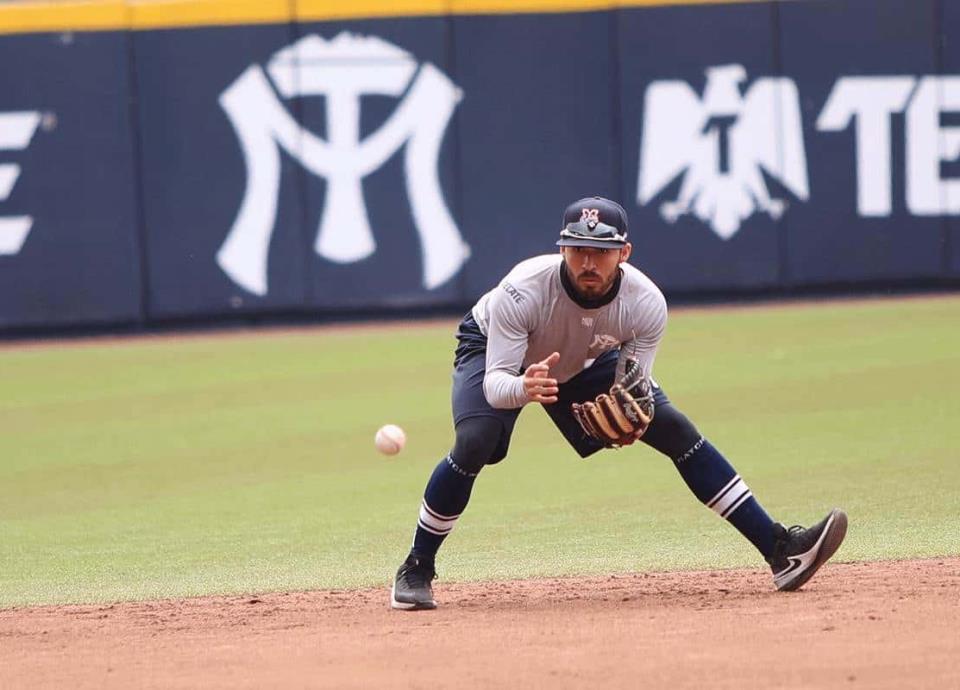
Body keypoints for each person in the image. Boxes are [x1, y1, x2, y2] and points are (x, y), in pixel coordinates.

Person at [390, 196, 848, 610]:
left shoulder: (645, 304)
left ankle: (780, 551)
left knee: (675, 430)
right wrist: (525, 388)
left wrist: (633, 416)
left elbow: (634, 388)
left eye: (601, 251)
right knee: (477, 441)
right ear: (562, 249)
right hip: (497, 351)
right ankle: (416, 568)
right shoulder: (522, 290)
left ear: (624, 253)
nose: (588, 261)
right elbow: (495, 385)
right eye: (577, 249)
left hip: (585, 357)